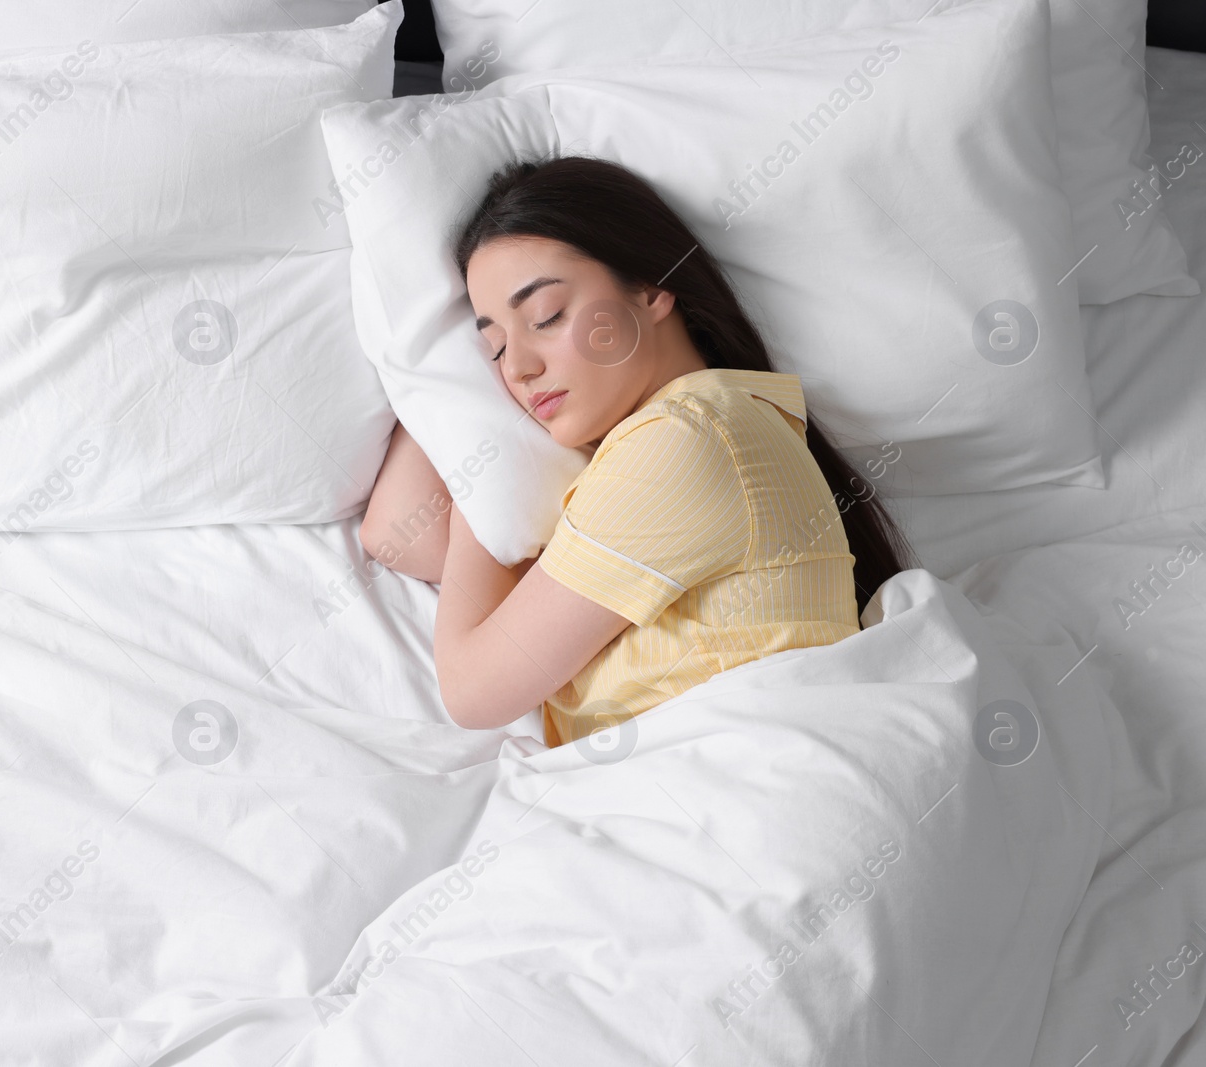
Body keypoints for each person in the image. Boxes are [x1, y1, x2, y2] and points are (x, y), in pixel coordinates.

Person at [361, 157, 912, 748]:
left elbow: (473, 692)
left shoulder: (685, 442)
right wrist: (460, 407)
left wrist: (484, 460)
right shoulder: (671, 443)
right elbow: (396, 530)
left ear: (651, 288)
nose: (519, 368)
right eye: (494, 348)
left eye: (545, 317)